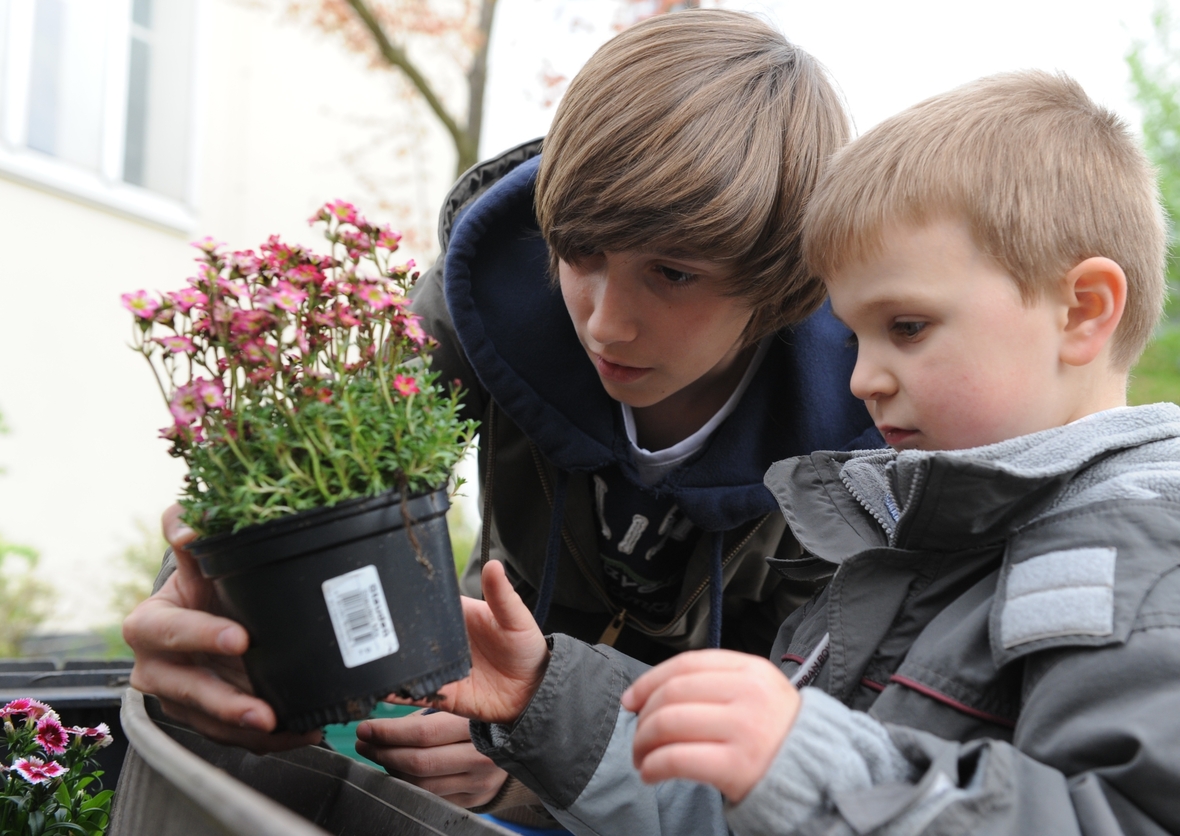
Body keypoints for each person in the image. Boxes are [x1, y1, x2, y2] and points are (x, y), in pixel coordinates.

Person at [122, 9, 879, 825]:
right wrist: (225, 629)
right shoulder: (487, 298)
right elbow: (320, 488)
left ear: (779, 285)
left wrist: (531, 767)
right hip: (473, 698)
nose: (605, 323)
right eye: (581, 253)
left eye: (672, 274)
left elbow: (797, 745)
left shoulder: (856, 440)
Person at [413, 71, 1180, 835]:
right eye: (855, 335)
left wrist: (810, 764)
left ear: (1082, 311)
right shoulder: (911, 549)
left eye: (906, 327)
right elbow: (731, 810)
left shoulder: (1140, 572)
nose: (862, 379)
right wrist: (544, 696)